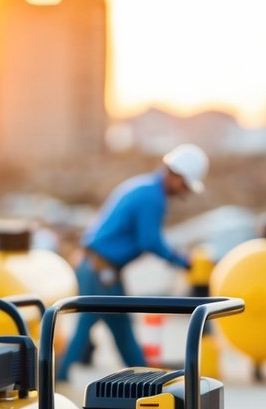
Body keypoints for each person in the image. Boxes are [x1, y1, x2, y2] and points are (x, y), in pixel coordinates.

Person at [56, 143, 208, 382]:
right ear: (176, 175)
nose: (184, 193)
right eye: (185, 186)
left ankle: (143, 379)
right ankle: (58, 379)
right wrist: (182, 261)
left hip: (96, 266)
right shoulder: (153, 198)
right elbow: (149, 241)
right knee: (107, 328)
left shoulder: (143, 187)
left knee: (115, 328)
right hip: (100, 270)